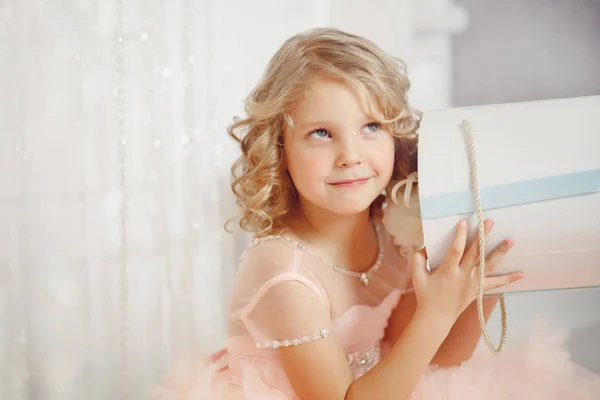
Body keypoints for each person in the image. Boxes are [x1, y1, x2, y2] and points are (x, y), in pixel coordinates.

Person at [153, 27, 600, 399]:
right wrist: (436, 314)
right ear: (280, 150)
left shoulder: (391, 230)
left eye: (371, 127)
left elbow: (434, 359)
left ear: (396, 136)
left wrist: (473, 287)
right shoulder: (283, 273)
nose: (350, 155)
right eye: (321, 133)